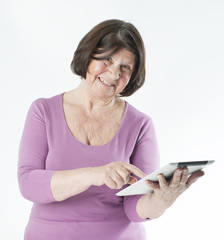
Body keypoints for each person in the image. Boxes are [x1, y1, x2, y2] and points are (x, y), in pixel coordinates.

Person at [18, 19, 204, 240]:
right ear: (88, 55)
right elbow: (28, 183)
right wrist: (96, 174)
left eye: (125, 68)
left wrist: (162, 200)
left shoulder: (140, 125)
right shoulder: (43, 111)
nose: (114, 74)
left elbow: (135, 207)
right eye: (107, 60)